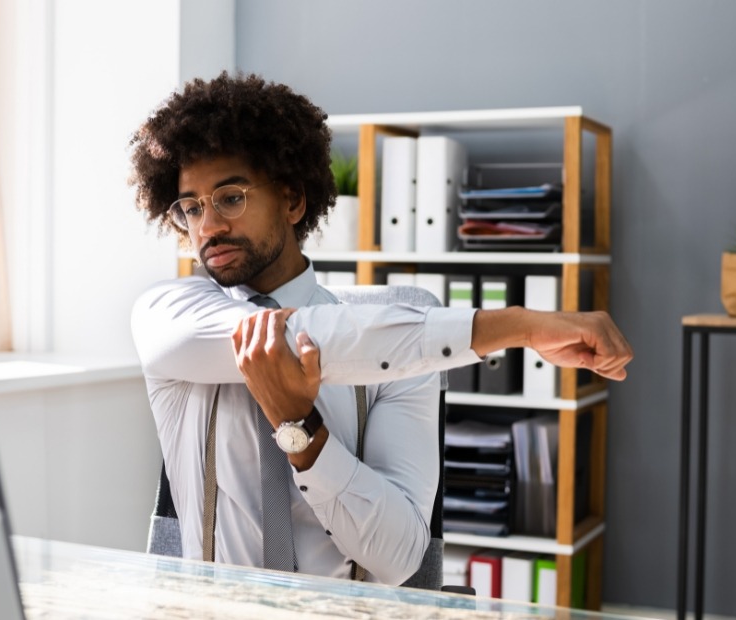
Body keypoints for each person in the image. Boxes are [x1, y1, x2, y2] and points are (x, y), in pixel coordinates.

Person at [129, 72, 632, 586]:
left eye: (230, 197)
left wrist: (303, 433)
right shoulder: (167, 314)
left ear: (293, 200)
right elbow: (308, 334)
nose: (208, 227)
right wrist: (518, 325)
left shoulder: (404, 359)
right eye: (191, 208)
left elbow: (399, 560)